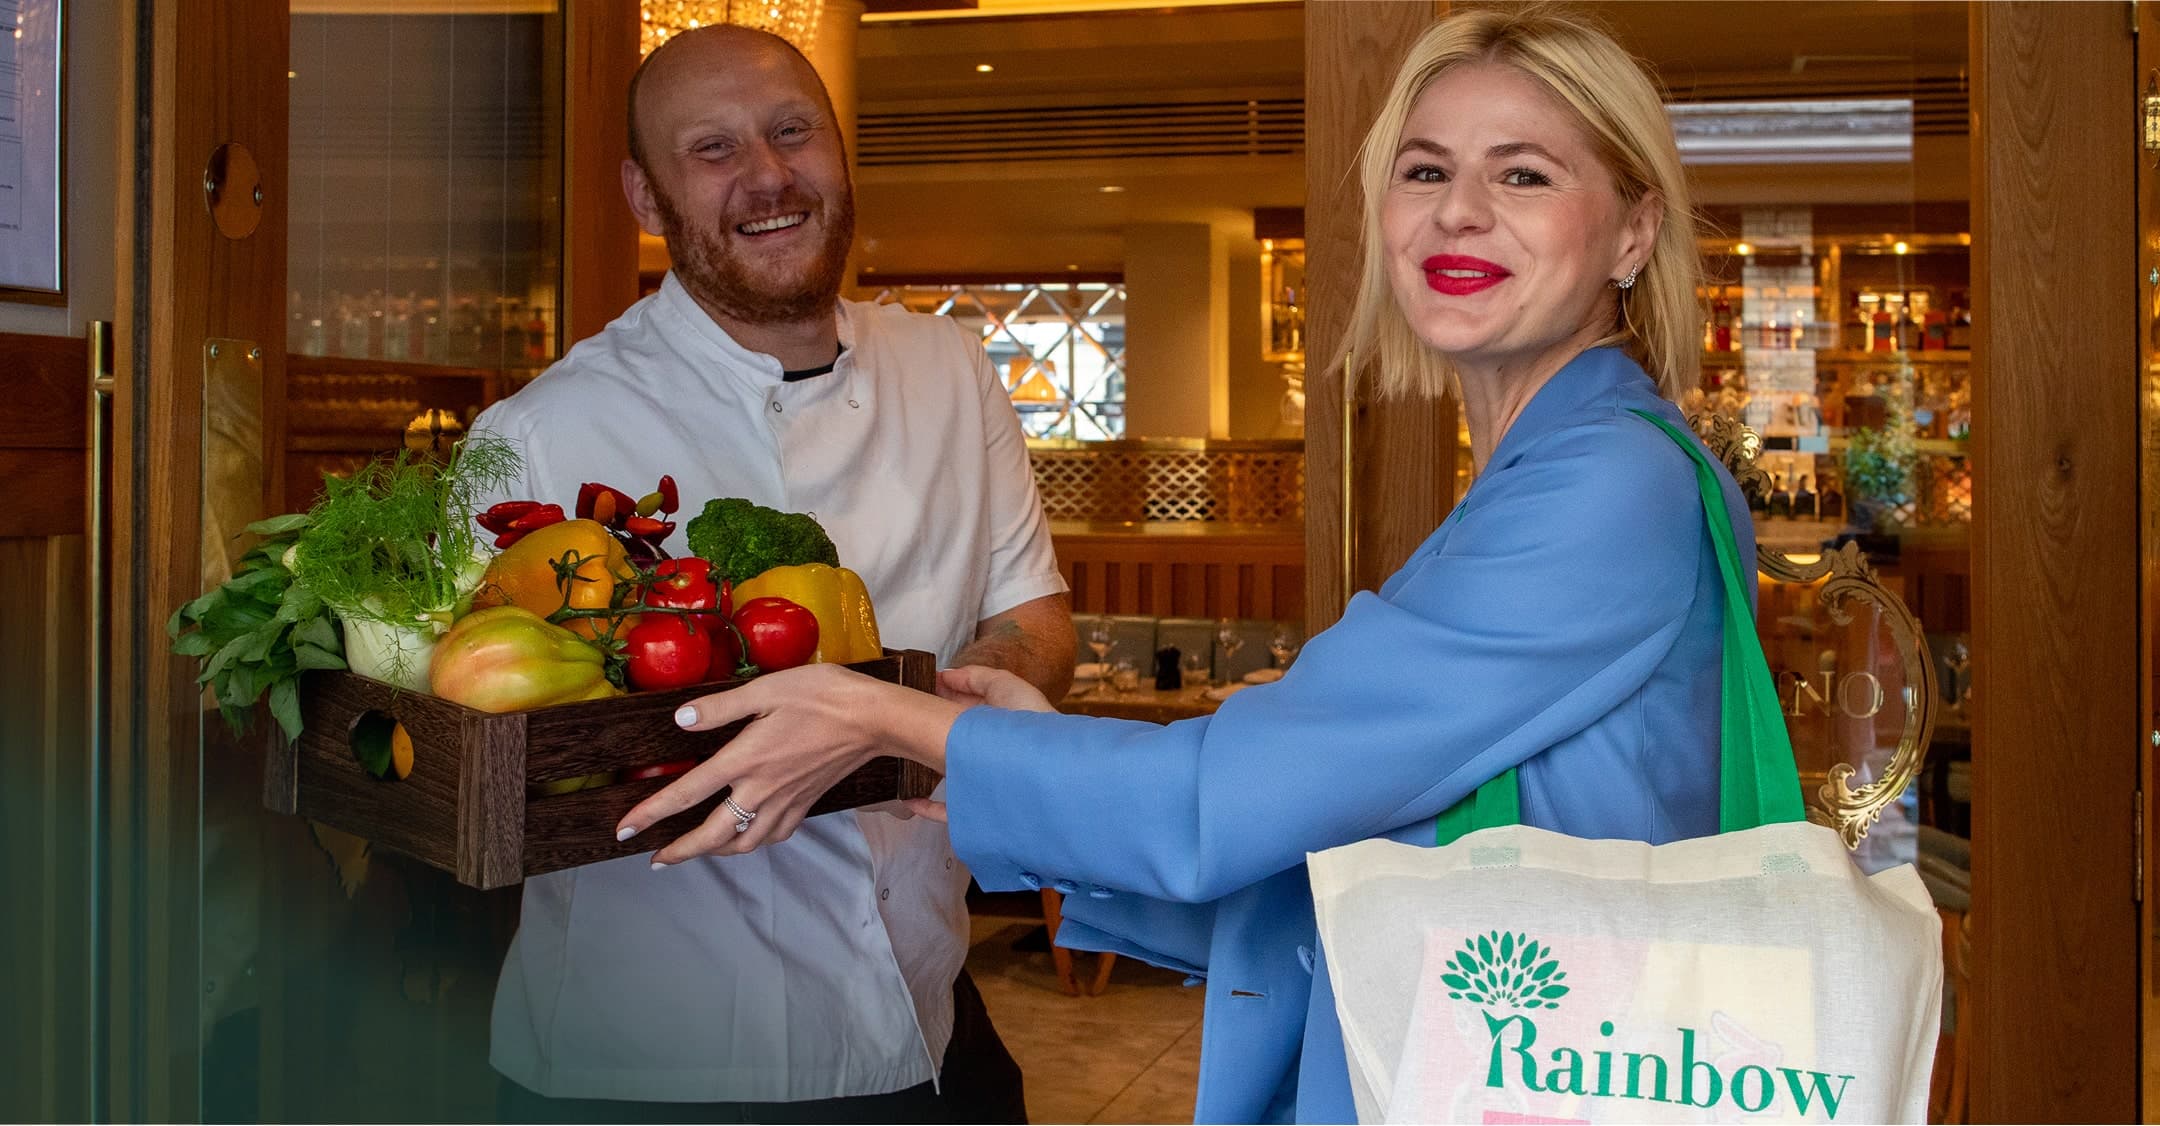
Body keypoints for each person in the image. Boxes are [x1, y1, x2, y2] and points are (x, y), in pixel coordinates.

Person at [623, 8, 1753, 1124]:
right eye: (1424, 169)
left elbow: (1214, 799)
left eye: (1523, 177)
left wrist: (885, 717)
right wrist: (1015, 757)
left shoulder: (1607, 484)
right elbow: (1331, 845)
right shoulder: (1551, 462)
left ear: (1633, 231)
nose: (1457, 212)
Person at [468, 24, 1073, 1123]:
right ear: (644, 198)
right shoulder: (542, 434)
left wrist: (922, 714)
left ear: (840, 157)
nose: (769, 175)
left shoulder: (952, 372)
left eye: (794, 133)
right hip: (651, 1062)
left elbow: (1030, 618)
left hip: (926, 1023)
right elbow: (481, 736)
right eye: (714, 150)